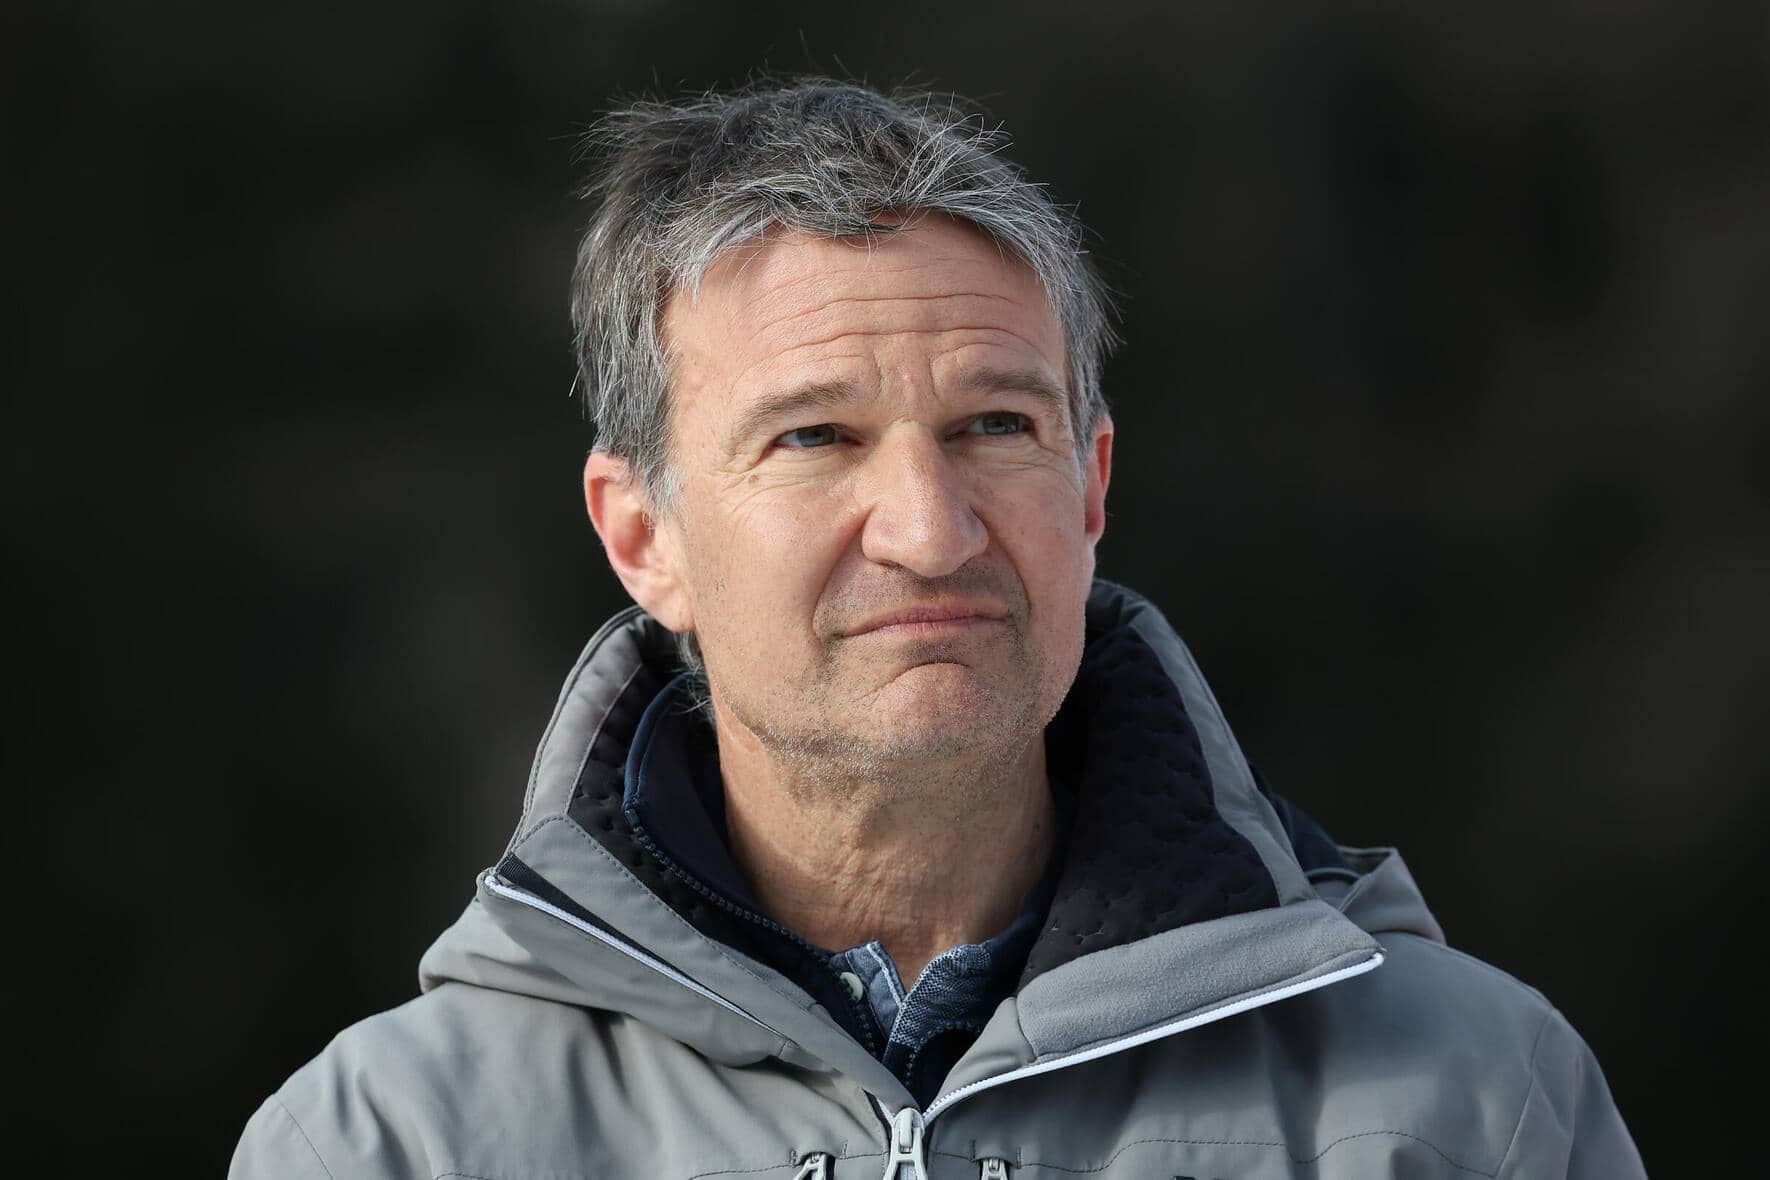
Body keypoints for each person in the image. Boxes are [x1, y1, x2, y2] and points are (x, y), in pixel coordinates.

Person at [231, 79, 1645, 1180]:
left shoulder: (1463, 1097)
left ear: (1090, 488)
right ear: (640, 536)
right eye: (813, 438)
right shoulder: (389, 1142)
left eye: (992, 426)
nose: (929, 526)